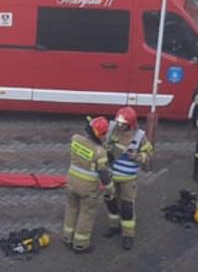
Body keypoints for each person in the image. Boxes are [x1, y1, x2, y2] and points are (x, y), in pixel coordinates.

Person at [101, 107, 153, 251]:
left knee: (127, 207)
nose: (119, 125)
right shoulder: (112, 129)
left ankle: (128, 236)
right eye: (118, 122)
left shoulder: (140, 136)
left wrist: (138, 157)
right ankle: (114, 226)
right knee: (111, 202)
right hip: (111, 176)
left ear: (130, 124)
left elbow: (149, 153)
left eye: (122, 123)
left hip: (128, 179)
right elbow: (102, 144)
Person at [62, 116, 112, 254]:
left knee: (71, 208)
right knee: (86, 214)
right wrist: (110, 189)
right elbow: (104, 175)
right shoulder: (100, 152)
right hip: (88, 188)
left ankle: (67, 237)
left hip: (71, 181)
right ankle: (80, 244)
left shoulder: (75, 139)